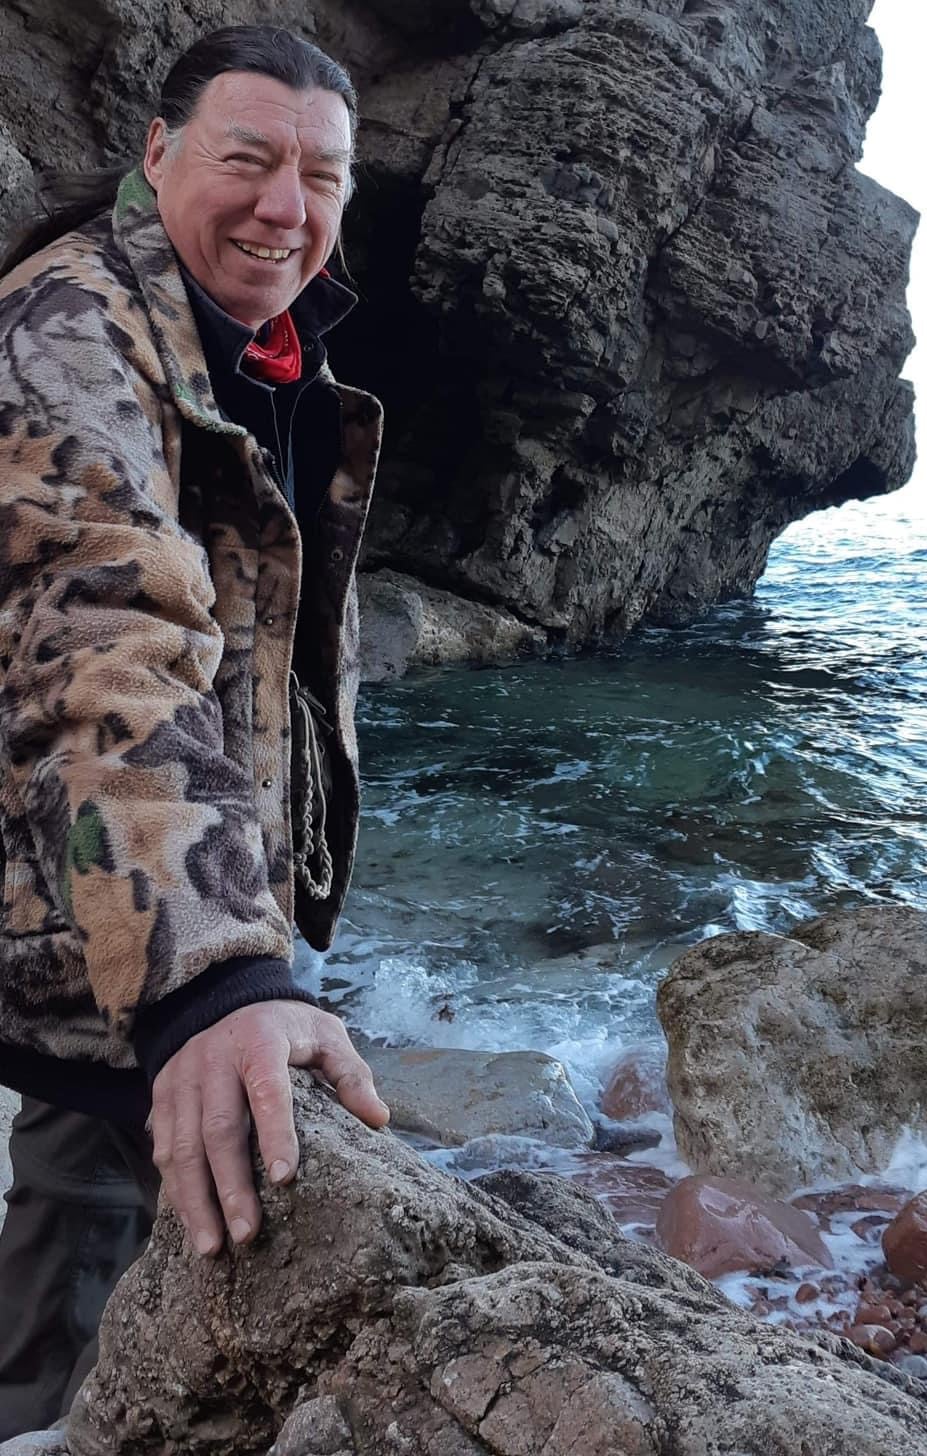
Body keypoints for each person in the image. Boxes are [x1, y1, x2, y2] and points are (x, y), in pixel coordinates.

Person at [0, 24, 390, 1437]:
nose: (287, 206)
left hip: (123, 893)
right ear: (154, 155)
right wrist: (213, 981)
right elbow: (100, 629)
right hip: (120, 895)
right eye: (249, 158)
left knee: (87, 1189)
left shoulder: (262, 349)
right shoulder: (71, 329)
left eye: (322, 175)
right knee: (152, 1214)